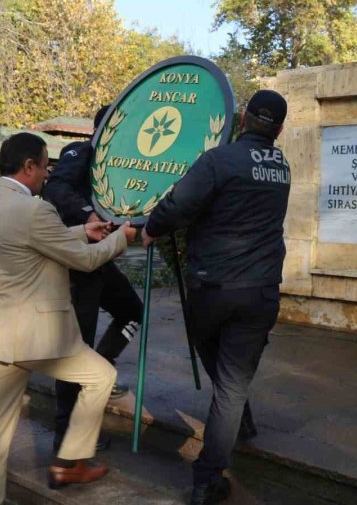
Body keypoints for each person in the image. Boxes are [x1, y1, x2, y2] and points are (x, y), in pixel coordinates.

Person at [0, 132, 137, 505]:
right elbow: (87, 260)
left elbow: (30, 241)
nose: (47, 175)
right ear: (28, 166)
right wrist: (122, 236)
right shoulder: (35, 209)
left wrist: (82, 230)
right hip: (35, 339)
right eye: (45, 166)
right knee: (102, 376)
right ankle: (70, 459)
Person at [142, 89, 291, 505]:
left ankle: (206, 480)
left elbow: (178, 204)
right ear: (279, 129)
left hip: (213, 288)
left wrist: (151, 228)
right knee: (231, 382)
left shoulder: (219, 160)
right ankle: (239, 416)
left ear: (242, 118)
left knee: (225, 379)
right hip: (260, 291)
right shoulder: (282, 166)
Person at [42, 106, 144, 453]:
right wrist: (88, 216)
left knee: (132, 311)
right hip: (76, 263)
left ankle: (100, 371)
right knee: (75, 347)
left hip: (100, 262)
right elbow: (55, 189)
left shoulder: (126, 166)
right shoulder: (81, 153)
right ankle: (65, 435)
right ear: (103, 130)